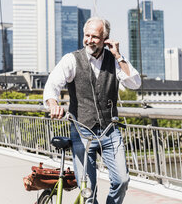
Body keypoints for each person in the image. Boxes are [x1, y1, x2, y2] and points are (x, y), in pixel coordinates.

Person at [43, 17, 141, 204]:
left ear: (105, 38)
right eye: (86, 35)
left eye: (95, 36)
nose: (89, 40)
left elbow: (135, 83)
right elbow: (52, 85)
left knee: (122, 180)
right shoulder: (71, 59)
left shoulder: (114, 61)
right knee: (88, 191)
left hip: (109, 131)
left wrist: (119, 56)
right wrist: (53, 104)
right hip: (82, 131)